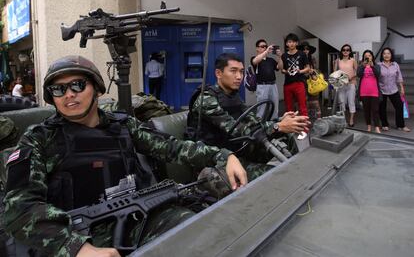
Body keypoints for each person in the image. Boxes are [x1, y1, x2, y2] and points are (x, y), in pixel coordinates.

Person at [2, 55, 247, 257]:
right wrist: (76, 247)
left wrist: (223, 156)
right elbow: (18, 206)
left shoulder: (123, 126)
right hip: (73, 236)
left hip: (137, 217)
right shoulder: (38, 139)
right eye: (59, 89)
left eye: (77, 85)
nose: (69, 94)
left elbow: (172, 147)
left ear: (96, 89)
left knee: (194, 231)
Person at [186, 53, 310, 181]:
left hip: (238, 149)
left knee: (286, 136)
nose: (239, 77)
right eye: (233, 71)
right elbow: (235, 129)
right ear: (219, 73)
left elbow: (254, 122)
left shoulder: (233, 96)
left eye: (241, 71)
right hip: (218, 160)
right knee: (276, 175)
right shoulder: (206, 99)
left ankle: (299, 173)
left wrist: (280, 121)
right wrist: (277, 126)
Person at [278, 33, 310, 118]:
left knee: (302, 106)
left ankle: (304, 129)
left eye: (293, 42)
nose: (291, 44)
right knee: (289, 109)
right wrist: (286, 71)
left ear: (296, 43)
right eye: (289, 42)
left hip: (299, 83)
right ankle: (290, 129)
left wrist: (300, 71)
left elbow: (308, 68)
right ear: (286, 44)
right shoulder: (284, 55)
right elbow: (282, 70)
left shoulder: (302, 54)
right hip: (287, 84)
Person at [378, 47, 410, 132]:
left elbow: (399, 77)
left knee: (399, 106)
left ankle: (401, 125)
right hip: (382, 90)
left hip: (393, 89)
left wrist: (402, 88)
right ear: (382, 55)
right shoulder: (378, 65)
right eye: (384, 53)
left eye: (388, 53)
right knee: (382, 108)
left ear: (391, 55)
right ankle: (384, 124)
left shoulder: (395, 64)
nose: (386, 55)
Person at [251, 39, 280, 119]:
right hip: (262, 86)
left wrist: (280, 56)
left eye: (266, 46)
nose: (265, 48)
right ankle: (259, 125)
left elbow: (279, 67)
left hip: (273, 85)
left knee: (275, 107)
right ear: (257, 48)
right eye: (262, 46)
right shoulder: (255, 58)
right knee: (261, 107)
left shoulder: (271, 60)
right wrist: (266, 51)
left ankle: (274, 125)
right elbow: (255, 61)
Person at [357, 50, 381, 133]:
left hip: (374, 91)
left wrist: (372, 66)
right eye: (366, 56)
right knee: (366, 110)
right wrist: (363, 66)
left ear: (372, 57)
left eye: (369, 55)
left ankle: (377, 127)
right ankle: (369, 126)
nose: (368, 57)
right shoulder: (361, 66)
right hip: (364, 92)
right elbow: (359, 75)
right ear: (364, 57)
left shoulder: (376, 65)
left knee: (375, 110)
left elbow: (378, 75)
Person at [334, 44, 358, 127]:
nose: (345, 51)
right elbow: (335, 73)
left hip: (351, 84)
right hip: (341, 85)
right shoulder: (337, 60)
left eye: (347, 50)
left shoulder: (353, 60)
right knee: (342, 102)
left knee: (351, 102)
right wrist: (341, 80)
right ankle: (343, 119)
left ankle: (351, 120)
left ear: (350, 51)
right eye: (344, 50)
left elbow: (357, 72)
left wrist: (350, 78)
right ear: (341, 51)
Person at [298, 41, 321, 123]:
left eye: (307, 49)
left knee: (315, 103)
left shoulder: (313, 59)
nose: (305, 50)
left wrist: (312, 71)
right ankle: (305, 122)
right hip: (302, 83)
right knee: (304, 103)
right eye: (303, 49)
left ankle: (318, 122)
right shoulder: (298, 59)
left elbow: (317, 70)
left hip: (312, 83)